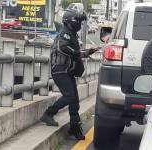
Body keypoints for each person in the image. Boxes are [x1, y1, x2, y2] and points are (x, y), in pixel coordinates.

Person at [40, 9, 99, 140]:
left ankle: (74, 127)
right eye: (77, 20)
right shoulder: (64, 35)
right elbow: (63, 47)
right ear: (70, 21)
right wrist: (79, 53)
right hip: (60, 71)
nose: (79, 23)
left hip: (67, 71)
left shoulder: (72, 35)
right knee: (69, 96)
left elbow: (76, 54)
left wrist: (88, 52)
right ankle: (48, 113)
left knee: (74, 101)